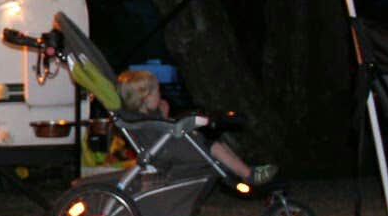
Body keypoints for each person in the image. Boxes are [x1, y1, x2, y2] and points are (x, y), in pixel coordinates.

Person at [116, 68, 278, 187]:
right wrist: (166, 116)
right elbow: (161, 134)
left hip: (170, 148)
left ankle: (243, 170)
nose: (161, 94)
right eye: (157, 91)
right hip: (169, 153)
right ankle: (249, 175)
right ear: (145, 97)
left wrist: (163, 114)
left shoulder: (143, 116)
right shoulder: (146, 121)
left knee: (218, 145)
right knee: (214, 147)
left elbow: (161, 130)